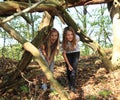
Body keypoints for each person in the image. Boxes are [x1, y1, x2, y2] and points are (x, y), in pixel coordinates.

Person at [62, 26, 80, 93]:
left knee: (73, 69)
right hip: (67, 55)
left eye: (71, 34)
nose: (70, 36)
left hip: (76, 53)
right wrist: (68, 64)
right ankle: (69, 84)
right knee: (68, 69)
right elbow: (64, 54)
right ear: (65, 36)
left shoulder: (77, 38)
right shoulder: (63, 43)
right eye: (68, 35)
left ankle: (73, 86)